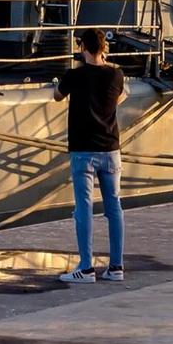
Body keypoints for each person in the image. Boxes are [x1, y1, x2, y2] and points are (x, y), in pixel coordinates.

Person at [53, 29, 127, 283]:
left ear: (83, 46)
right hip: (110, 149)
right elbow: (121, 95)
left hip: (83, 150)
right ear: (104, 47)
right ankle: (116, 266)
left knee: (83, 207)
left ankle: (86, 268)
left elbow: (57, 96)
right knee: (114, 207)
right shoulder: (116, 74)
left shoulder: (74, 75)